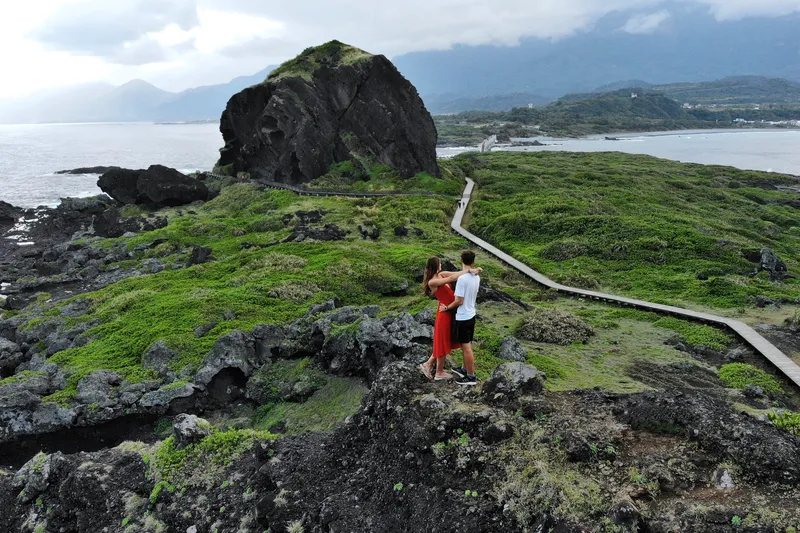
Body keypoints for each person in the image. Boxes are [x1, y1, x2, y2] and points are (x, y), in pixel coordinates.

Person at [420, 256, 481, 381]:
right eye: (439, 263)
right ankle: (439, 372)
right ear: (435, 266)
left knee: (444, 341)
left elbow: (457, 274)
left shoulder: (441, 274)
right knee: (442, 342)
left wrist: (471, 270)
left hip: (451, 311)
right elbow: (452, 278)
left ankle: (428, 364)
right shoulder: (433, 281)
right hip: (445, 312)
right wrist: (471, 270)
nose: (441, 265)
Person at [440, 250, 481, 386]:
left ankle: (470, 376)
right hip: (472, 314)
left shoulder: (462, 279)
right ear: (473, 262)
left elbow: (459, 301)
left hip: (463, 317)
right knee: (467, 344)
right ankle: (464, 369)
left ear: (461, 261)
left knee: (466, 347)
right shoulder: (476, 277)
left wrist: (446, 308)